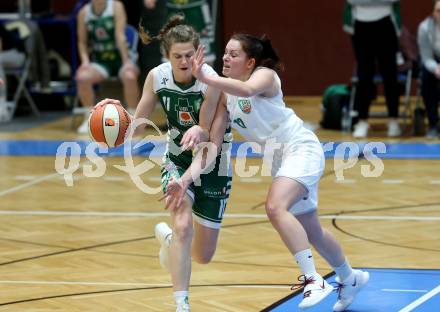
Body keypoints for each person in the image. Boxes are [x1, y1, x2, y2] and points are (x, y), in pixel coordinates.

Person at [165, 34, 370, 311]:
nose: (226, 57)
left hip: (301, 148)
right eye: (225, 53)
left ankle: (314, 279)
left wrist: (207, 77)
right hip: (280, 160)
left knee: (275, 207)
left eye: (233, 54)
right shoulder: (225, 97)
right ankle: (349, 277)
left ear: (250, 62)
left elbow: (247, 91)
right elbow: (212, 147)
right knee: (312, 229)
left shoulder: (265, 76)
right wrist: (185, 179)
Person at [97, 15, 231, 312]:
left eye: (188, 55)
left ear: (199, 53)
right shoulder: (157, 77)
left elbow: (210, 141)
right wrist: (112, 114)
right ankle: (181, 304)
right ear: (166, 55)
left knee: (203, 255)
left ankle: (169, 242)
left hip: (212, 162)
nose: (183, 61)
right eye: (177, 56)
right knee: (184, 226)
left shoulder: (212, 82)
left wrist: (190, 172)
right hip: (176, 158)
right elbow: (139, 126)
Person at [76, 0, 140, 133]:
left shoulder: (116, 6)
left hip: (120, 58)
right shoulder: (83, 13)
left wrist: (126, 62)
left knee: (129, 75)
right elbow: (82, 42)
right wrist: (85, 62)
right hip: (101, 61)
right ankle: (89, 118)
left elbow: (120, 35)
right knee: (81, 77)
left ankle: (134, 119)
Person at [343, 0, 402, 138]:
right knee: (364, 76)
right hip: (360, 24)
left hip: (386, 22)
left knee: (390, 75)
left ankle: (393, 120)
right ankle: (362, 121)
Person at [418, 0, 440, 139]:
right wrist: (436, 68)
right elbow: (426, 57)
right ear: (433, 13)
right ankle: (433, 124)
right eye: (439, 11)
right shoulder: (424, 27)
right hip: (434, 63)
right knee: (426, 78)